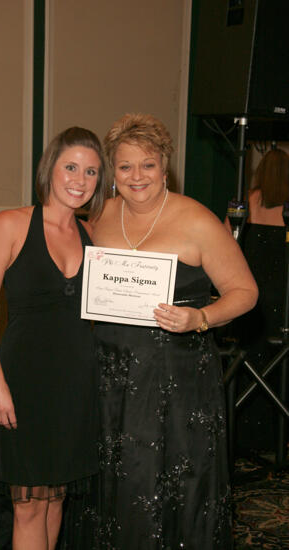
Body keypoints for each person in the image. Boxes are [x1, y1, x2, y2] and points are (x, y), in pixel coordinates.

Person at [91, 113, 258, 549]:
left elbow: (245, 292)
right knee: (120, 474)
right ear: (113, 172)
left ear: (165, 167)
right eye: (125, 167)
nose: (136, 176)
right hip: (113, 375)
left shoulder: (197, 219)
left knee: (173, 478)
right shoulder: (101, 216)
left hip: (177, 378)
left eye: (147, 165)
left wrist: (200, 318)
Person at [0, 127, 107, 550]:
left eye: (90, 172)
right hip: (23, 378)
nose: (79, 180)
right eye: (71, 167)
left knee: (56, 499)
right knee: (29, 504)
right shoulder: (11, 224)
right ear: (50, 167)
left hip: (75, 381)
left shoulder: (92, 236)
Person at [228, 148, 289, 453]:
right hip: (281, 292)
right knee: (276, 361)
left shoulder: (247, 202)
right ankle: (273, 437)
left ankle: (243, 434)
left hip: (248, 289)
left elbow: (226, 239)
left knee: (248, 357)